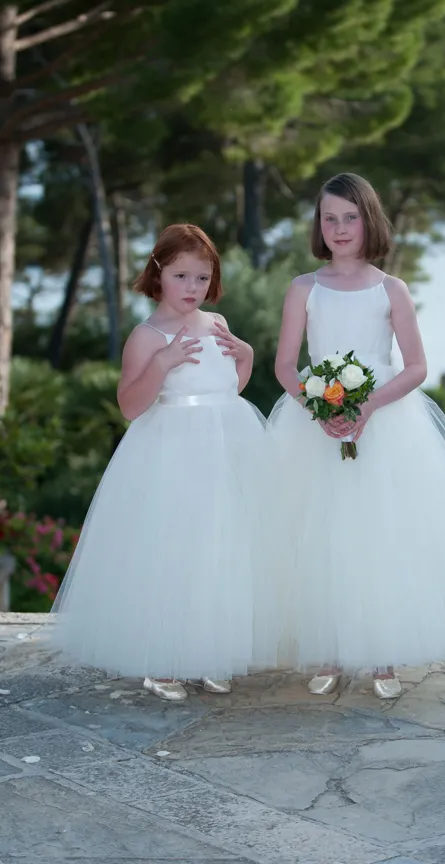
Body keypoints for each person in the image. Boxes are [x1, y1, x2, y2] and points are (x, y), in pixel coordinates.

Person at [262, 173, 445, 699]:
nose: (339, 228)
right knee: (318, 535)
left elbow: (415, 366)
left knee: (380, 535)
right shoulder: (304, 288)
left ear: (369, 220)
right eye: (329, 218)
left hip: (386, 423)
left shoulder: (390, 289)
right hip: (317, 420)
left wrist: (368, 407)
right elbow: (285, 365)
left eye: (350, 217)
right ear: (319, 225)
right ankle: (330, 650)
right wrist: (319, 409)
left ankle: (382, 655)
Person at [47, 224, 265, 701]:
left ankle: (210, 651)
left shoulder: (219, 324)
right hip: (172, 454)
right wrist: (162, 364)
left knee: (219, 548)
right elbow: (129, 405)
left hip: (226, 449)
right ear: (159, 272)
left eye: (202, 278)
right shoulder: (147, 336)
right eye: (182, 276)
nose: (192, 289)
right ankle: (163, 658)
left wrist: (246, 356)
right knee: (175, 550)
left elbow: (228, 387)